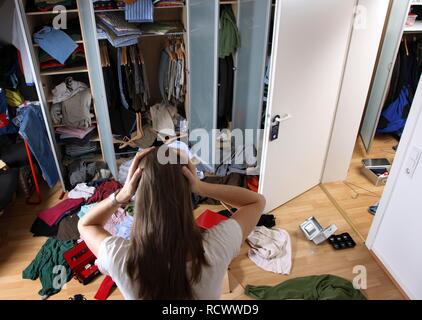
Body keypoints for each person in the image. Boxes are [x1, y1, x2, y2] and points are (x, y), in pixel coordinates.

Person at [78, 146, 266, 300]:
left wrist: (121, 195)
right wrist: (201, 187)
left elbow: (86, 225)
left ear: (140, 196)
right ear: (186, 192)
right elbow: (256, 202)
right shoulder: (216, 247)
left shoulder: (120, 259)